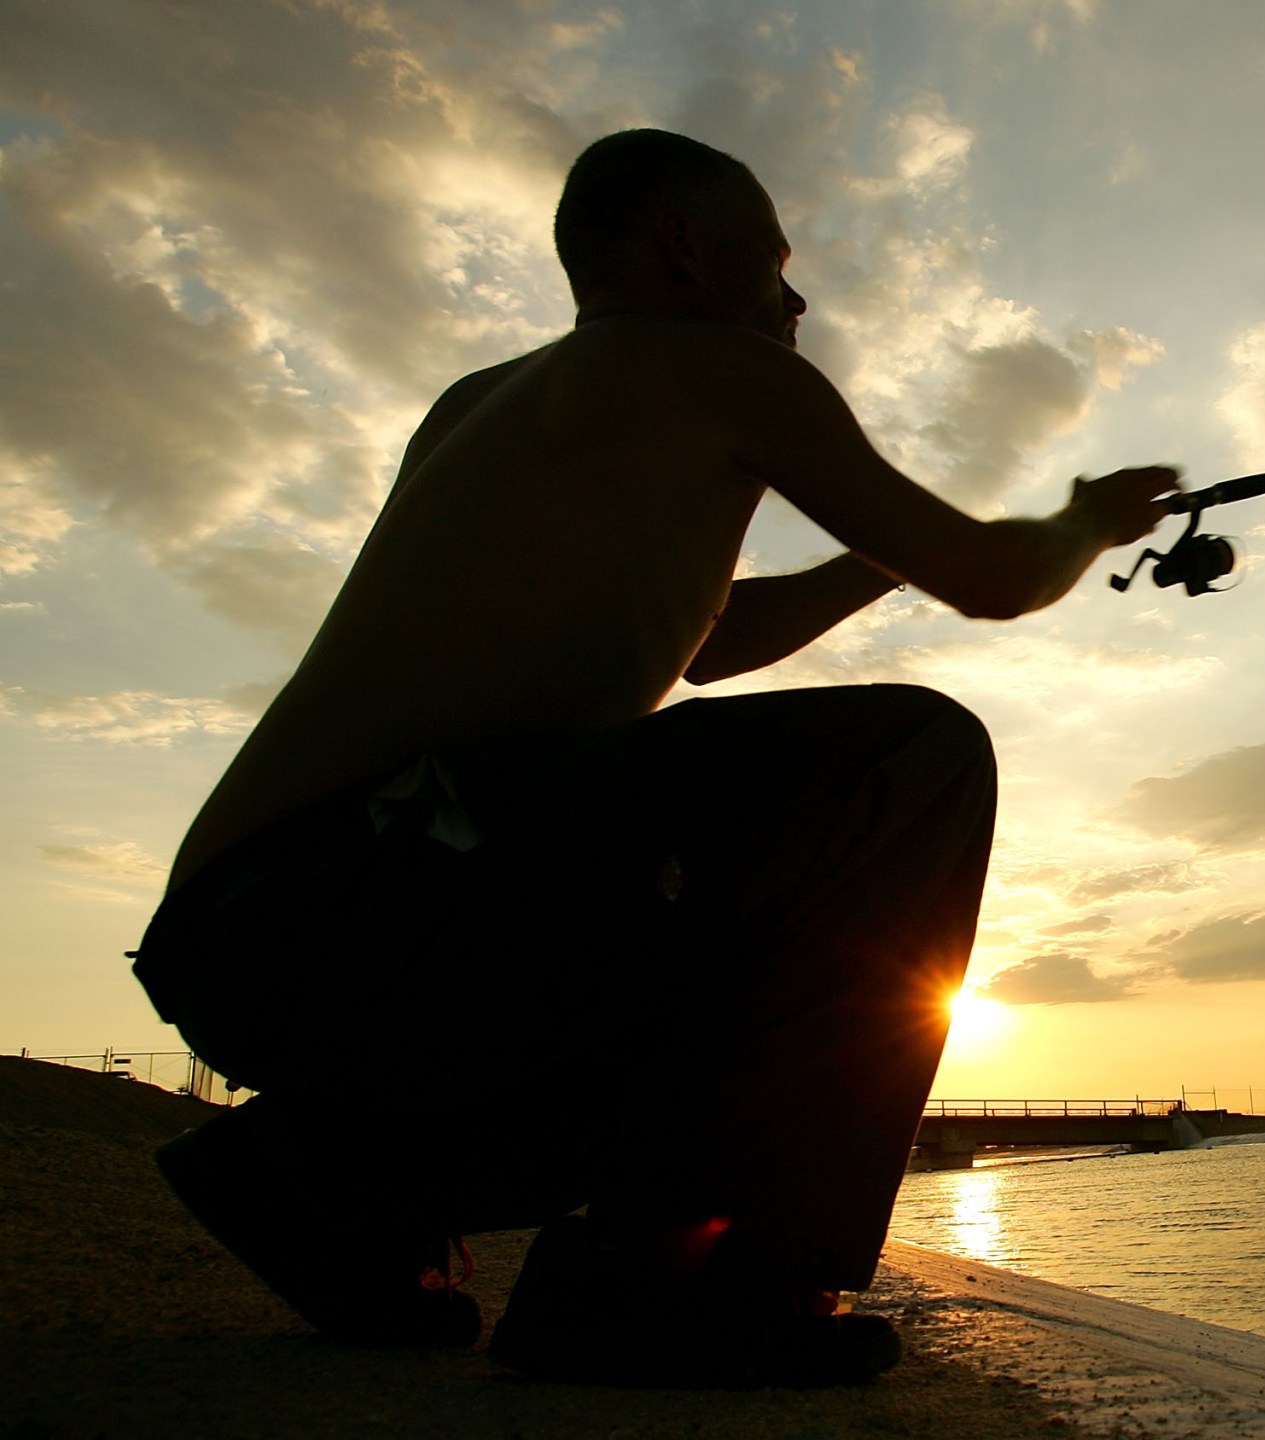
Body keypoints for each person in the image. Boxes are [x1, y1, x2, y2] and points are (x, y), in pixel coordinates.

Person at [129, 129, 1179, 1389]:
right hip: (370, 895)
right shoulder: (724, 367)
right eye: (777, 260)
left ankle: (314, 1179)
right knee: (916, 760)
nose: (797, 299)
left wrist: (878, 554)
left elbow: (711, 644)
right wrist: (1085, 519)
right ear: (685, 244)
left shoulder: (486, 402)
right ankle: (683, 1290)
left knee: (697, 937)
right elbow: (997, 579)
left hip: (249, 931)